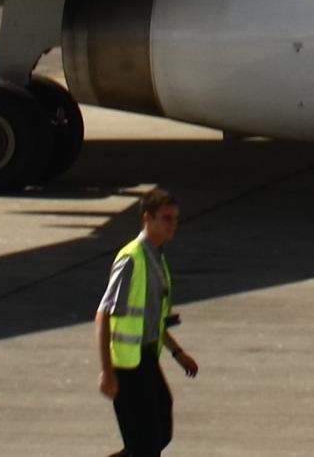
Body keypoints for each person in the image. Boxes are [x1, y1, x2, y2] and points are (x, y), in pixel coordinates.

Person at [96, 187, 198, 456]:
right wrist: (107, 371)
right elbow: (103, 314)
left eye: (176, 219)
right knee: (146, 444)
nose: (173, 225)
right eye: (166, 218)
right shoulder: (132, 259)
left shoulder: (157, 258)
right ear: (147, 219)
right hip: (127, 365)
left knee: (161, 431)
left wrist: (177, 353)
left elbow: (154, 319)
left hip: (146, 359)